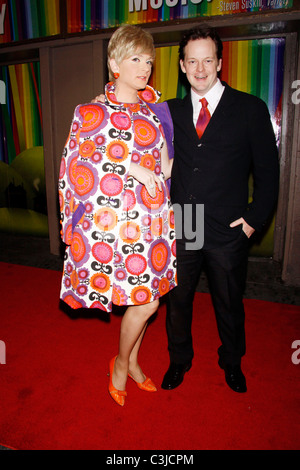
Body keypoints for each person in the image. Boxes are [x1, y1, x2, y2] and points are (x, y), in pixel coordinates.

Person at [58, 24, 176, 407]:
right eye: (135, 58)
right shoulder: (90, 111)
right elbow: (74, 165)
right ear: (114, 63)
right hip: (113, 224)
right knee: (145, 302)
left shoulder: (156, 113)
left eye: (148, 60)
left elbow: (165, 168)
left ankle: (131, 362)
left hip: (151, 221)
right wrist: (127, 166)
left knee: (146, 298)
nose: (144, 67)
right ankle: (122, 365)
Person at [161, 27, 279, 393]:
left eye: (207, 60)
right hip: (185, 223)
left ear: (220, 63)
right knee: (178, 301)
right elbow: (127, 121)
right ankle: (179, 360)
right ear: (182, 65)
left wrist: (252, 222)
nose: (200, 69)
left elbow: (268, 173)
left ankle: (231, 361)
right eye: (192, 61)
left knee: (229, 302)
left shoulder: (250, 108)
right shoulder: (168, 111)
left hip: (229, 226)